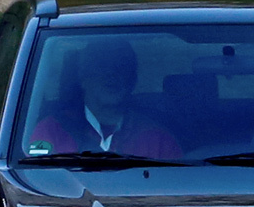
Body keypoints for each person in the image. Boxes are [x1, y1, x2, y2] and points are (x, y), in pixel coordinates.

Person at [26, 39, 181, 160]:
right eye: (102, 67)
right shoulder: (51, 131)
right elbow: (36, 180)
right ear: (83, 78)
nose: (111, 76)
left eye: (120, 68)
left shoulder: (158, 139)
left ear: (132, 81)